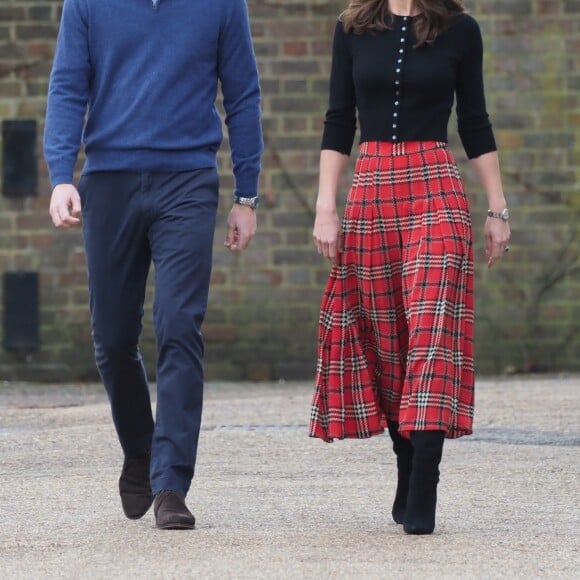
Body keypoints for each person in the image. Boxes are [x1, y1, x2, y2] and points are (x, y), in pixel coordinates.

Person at [44, 0, 262, 530]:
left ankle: (170, 483)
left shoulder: (221, 5)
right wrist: (60, 173)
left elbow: (243, 93)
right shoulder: (87, 4)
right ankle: (141, 449)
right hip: (110, 179)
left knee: (178, 325)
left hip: (187, 179)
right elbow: (69, 84)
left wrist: (246, 194)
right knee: (112, 339)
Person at [311, 0, 510, 535]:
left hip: (435, 188)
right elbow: (338, 120)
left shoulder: (460, 30)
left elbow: (475, 120)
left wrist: (496, 208)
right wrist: (326, 206)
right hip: (372, 187)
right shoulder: (351, 28)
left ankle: (426, 481)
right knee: (388, 337)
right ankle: (406, 463)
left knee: (431, 327)